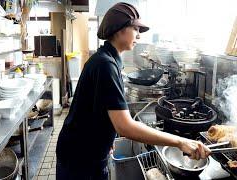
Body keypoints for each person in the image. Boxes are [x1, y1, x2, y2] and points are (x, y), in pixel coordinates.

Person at [56, 2, 210, 180]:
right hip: (80, 158)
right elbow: (125, 126)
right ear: (119, 29)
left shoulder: (106, 59)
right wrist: (180, 141)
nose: (139, 35)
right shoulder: (105, 65)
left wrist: (108, 137)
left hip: (86, 150)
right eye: (135, 28)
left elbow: (97, 110)